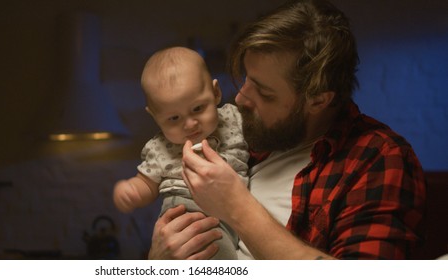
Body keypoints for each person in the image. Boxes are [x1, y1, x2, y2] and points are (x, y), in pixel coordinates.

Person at [148, 0, 426, 260]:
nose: (241, 98)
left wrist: (235, 205)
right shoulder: (249, 135)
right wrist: (157, 261)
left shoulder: (377, 158)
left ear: (318, 100)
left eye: (265, 93)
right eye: (247, 78)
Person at [113, 46, 250, 259]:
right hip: (188, 209)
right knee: (213, 254)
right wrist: (133, 190)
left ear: (215, 93)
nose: (189, 124)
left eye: (197, 109)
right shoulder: (159, 147)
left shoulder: (234, 119)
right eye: (174, 118)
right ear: (155, 116)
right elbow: (147, 182)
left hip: (236, 208)